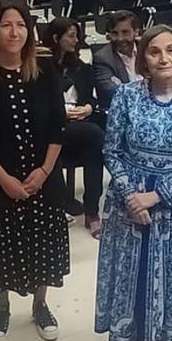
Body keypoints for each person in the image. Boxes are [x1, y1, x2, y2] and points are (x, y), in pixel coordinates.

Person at [95, 25, 172, 341]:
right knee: (130, 278)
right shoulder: (126, 96)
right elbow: (111, 151)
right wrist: (133, 198)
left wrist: (156, 196)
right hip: (127, 204)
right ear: (143, 58)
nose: (164, 58)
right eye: (154, 51)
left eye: (171, 50)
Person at [0, 0, 70, 341]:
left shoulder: (45, 68)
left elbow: (58, 125)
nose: (14, 32)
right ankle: (3, 307)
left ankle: (40, 305)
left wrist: (44, 171)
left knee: (42, 244)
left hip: (42, 178)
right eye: (6, 25)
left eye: (21, 25)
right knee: (0, 248)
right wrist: (5, 180)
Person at [42, 16, 105, 237]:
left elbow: (91, 99)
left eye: (77, 35)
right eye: (71, 35)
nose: (76, 40)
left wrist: (88, 108)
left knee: (94, 148)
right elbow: (39, 104)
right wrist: (62, 112)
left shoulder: (81, 67)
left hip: (78, 127)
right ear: (56, 38)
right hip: (50, 129)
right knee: (95, 134)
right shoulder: (41, 67)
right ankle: (59, 206)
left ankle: (92, 210)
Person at [93, 10, 143, 110]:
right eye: (115, 33)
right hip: (122, 111)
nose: (120, 38)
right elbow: (114, 93)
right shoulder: (102, 58)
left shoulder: (148, 50)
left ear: (136, 32)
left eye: (125, 32)